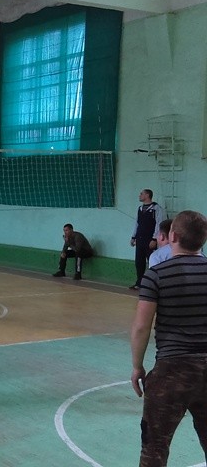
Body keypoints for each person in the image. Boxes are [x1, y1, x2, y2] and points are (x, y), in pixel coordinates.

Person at [130, 210, 207, 466]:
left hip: (172, 370)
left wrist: (137, 366)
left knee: (154, 446)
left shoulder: (156, 274)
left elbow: (141, 327)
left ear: (172, 236)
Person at [130, 189, 165, 289]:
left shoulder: (156, 208)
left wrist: (154, 239)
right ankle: (139, 283)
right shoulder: (140, 208)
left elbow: (159, 224)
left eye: (141, 194)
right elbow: (137, 224)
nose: (139, 195)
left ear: (147, 195)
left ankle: (155, 284)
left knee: (152, 262)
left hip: (150, 240)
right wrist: (133, 237)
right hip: (140, 239)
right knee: (139, 262)